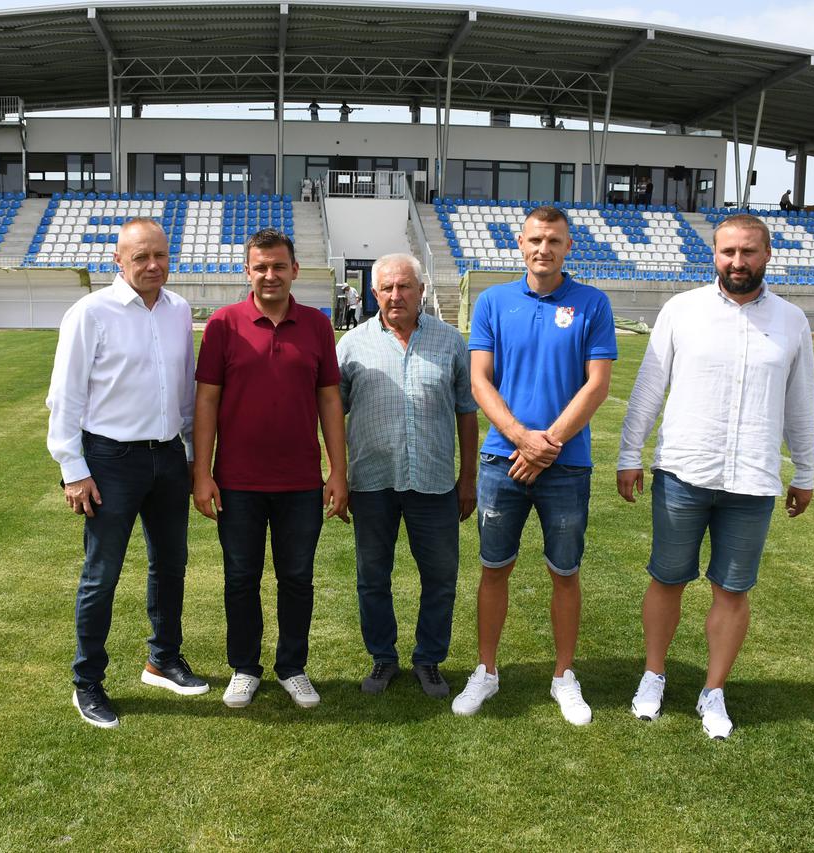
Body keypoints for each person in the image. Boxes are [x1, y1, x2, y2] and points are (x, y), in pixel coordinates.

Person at [617, 212, 814, 740]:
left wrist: (806, 469)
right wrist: (628, 454)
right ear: (714, 255)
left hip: (753, 480)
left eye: (748, 252)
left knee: (732, 589)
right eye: (728, 252)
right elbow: (649, 387)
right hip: (684, 469)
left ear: (767, 255)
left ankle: (714, 691)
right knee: (667, 578)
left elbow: (800, 402)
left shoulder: (792, 321)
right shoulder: (682, 310)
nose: (737, 262)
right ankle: (653, 675)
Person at [452, 206, 617, 722]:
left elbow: (598, 384)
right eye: (535, 240)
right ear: (519, 245)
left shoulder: (592, 303)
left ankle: (564, 676)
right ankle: (486, 672)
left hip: (566, 465)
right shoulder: (493, 301)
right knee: (493, 568)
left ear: (569, 247)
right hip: (504, 460)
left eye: (554, 240)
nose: (544, 248)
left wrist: (549, 444)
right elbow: (480, 381)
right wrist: (523, 439)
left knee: (564, 572)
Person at [46, 218, 206, 730]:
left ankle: (163, 659)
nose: (153, 265)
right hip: (110, 461)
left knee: (171, 565)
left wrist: (189, 451)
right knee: (102, 574)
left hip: (167, 458)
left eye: (160, 254)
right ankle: (87, 682)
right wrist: (73, 470)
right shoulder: (90, 313)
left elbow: (183, 390)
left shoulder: (179, 309)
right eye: (141, 257)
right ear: (118, 261)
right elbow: (64, 397)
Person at [192, 228, 349, 710]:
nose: (270, 274)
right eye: (260, 266)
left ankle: (292, 667)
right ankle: (244, 666)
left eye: (279, 266)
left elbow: (329, 400)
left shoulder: (318, 326)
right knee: (241, 578)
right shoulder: (223, 324)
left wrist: (337, 471)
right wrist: (203, 472)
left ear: (295, 270)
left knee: (297, 578)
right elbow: (207, 401)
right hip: (238, 481)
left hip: (300, 481)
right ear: (247, 271)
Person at [336, 253, 478, 698]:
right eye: (387, 288)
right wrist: (335, 474)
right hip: (371, 482)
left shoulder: (451, 342)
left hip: (434, 482)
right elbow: (331, 413)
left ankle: (429, 659)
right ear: (374, 293)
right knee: (372, 576)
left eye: (405, 287)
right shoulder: (351, 345)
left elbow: (467, 414)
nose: (396, 296)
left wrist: (468, 478)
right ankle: (382, 658)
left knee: (440, 578)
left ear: (421, 291)